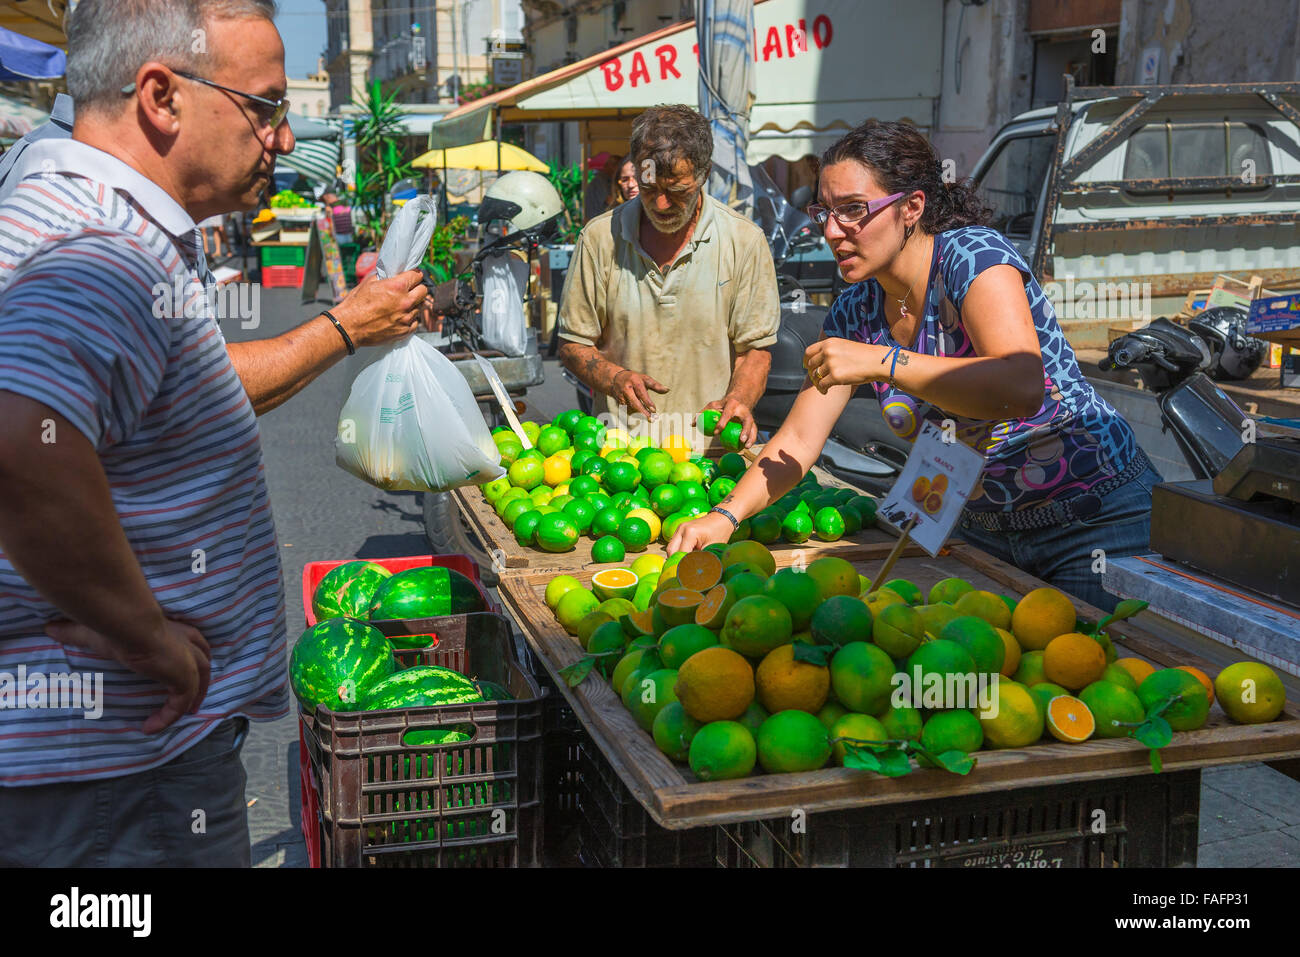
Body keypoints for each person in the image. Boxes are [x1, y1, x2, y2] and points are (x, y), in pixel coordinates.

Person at [0, 0, 428, 867]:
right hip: (120, 777)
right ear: (162, 96)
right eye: (266, 107)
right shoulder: (100, 237)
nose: (281, 136)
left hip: (111, 771)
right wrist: (141, 634)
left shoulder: (109, 221)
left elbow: (164, 393)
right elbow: (19, 442)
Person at [670, 119, 1163, 614]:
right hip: (980, 531)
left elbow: (1019, 385)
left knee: (1105, 667)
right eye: (824, 212)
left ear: (911, 207)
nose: (832, 231)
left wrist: (885, 361)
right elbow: (798, 439)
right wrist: (724, 517)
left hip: (1095, 521)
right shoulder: (854, 311)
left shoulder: (973, 259)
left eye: (853, 211)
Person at [557, 104, 780, 449]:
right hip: (621, 457)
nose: (660, 204)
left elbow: (754, 352)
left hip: (712, 456)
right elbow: (573, 344)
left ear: (705, 174)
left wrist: (739, 399)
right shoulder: (600, 238)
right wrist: (614, 378)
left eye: (677, 191)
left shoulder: (744, 241)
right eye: (649, 189)